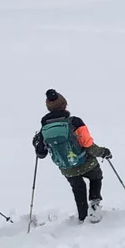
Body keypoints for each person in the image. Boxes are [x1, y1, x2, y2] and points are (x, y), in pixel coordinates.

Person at [33, 89, 113, 223]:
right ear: (64, 105)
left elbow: (41, 154)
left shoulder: (44, 128)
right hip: (85, 162)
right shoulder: (75, 122)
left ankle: (82, 216)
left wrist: (36, 143)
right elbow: (88, 146)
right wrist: (104, 152)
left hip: (66, 167)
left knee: (77, 188)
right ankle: (94, 205)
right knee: (96, 176)